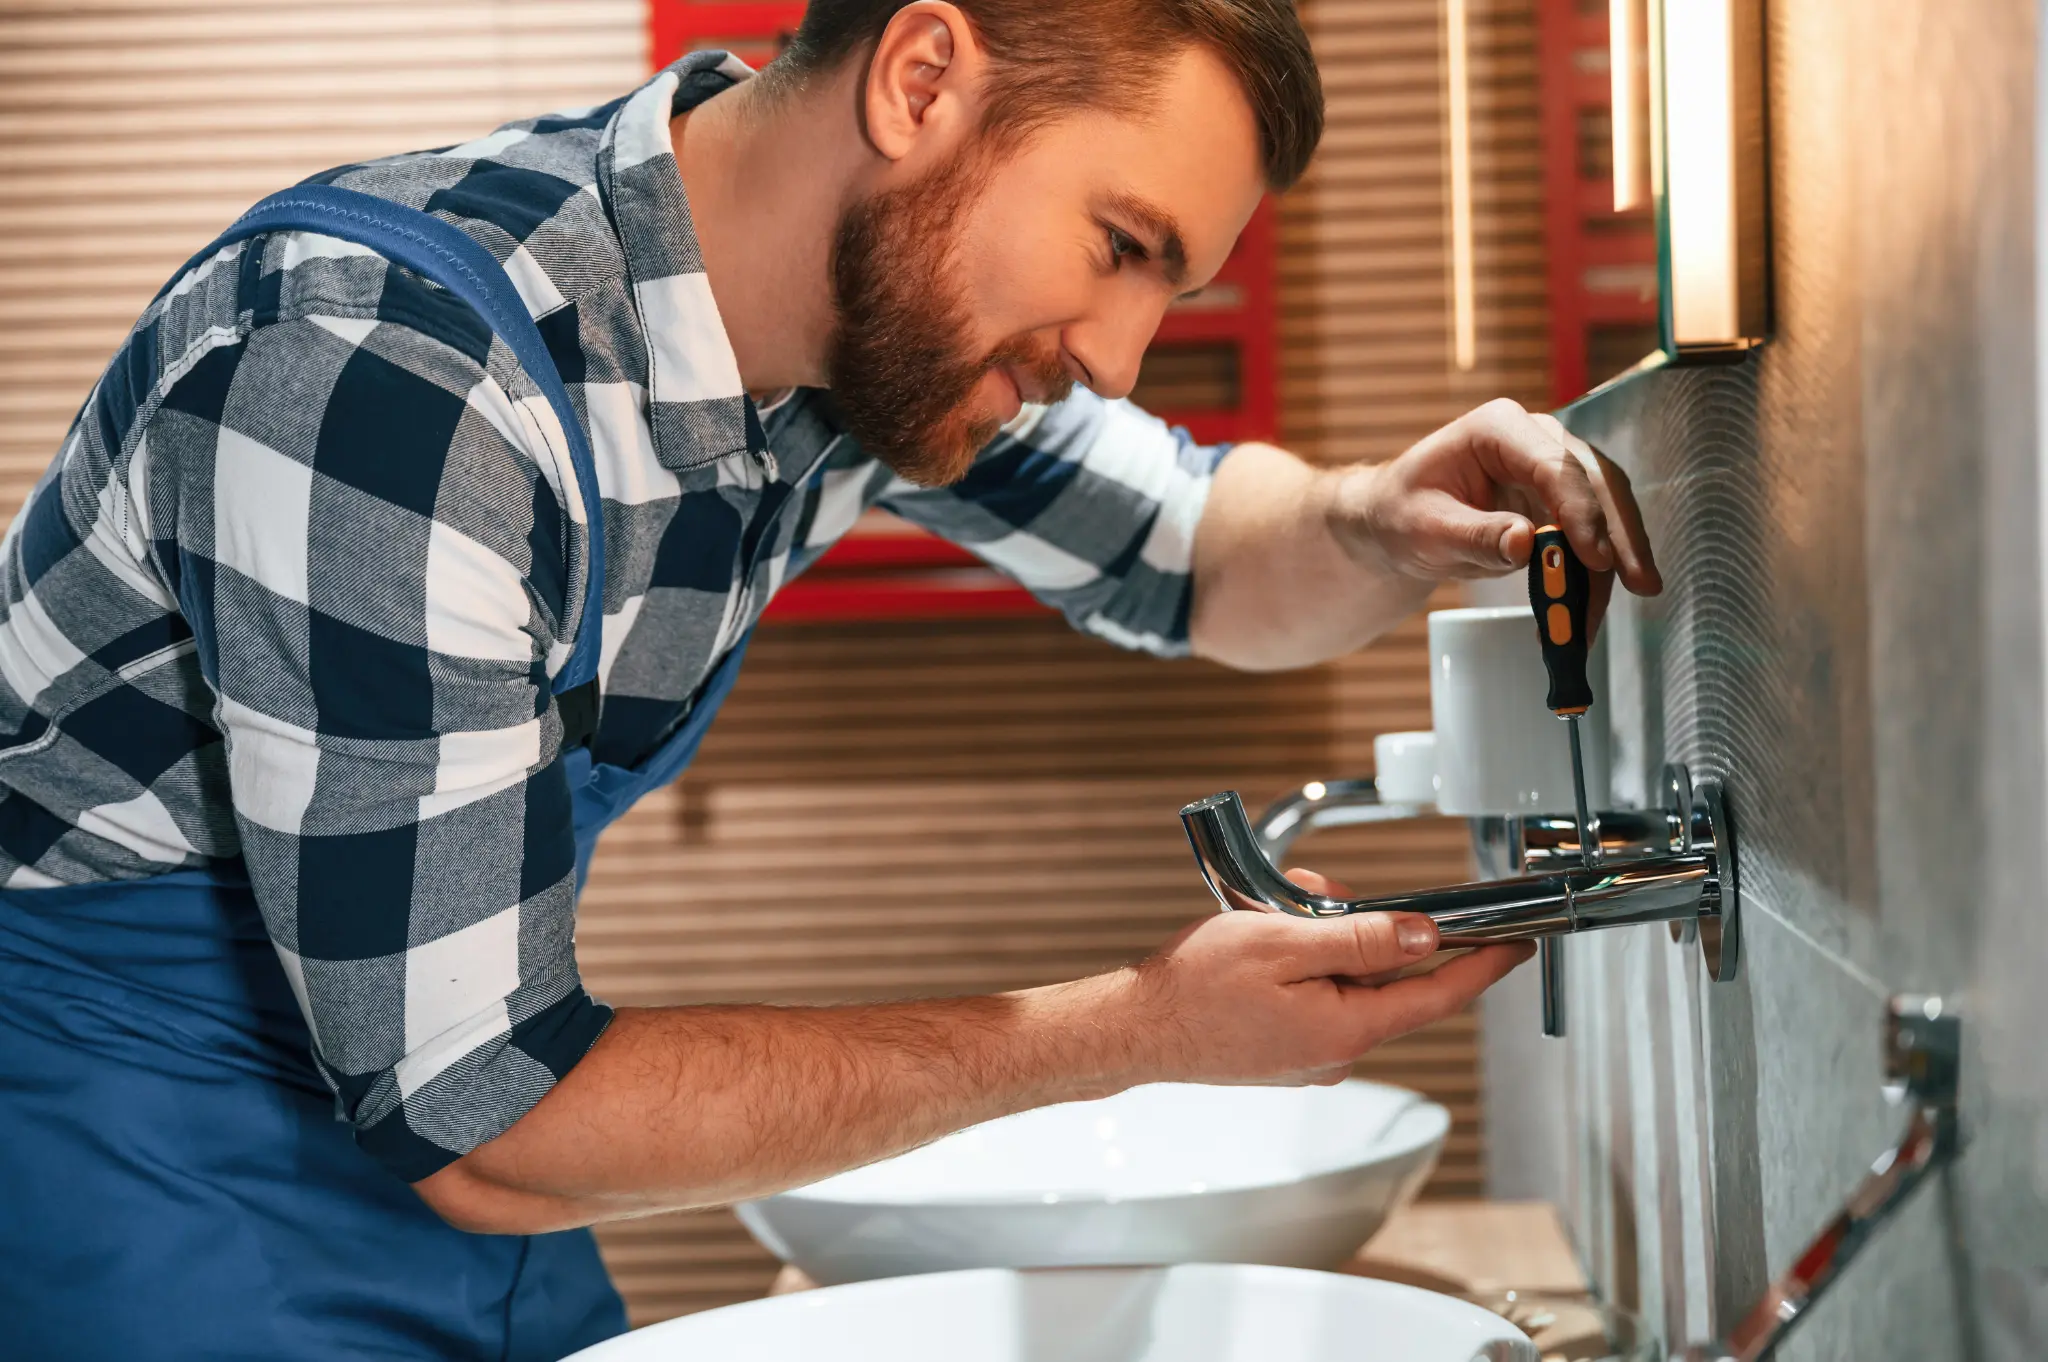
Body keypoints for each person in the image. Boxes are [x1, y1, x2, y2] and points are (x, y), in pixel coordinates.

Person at [0, 1, 1660, 1357]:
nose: (1116, 352)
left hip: (461, 1163)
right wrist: (1140, 1028)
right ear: (921, 78)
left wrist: (1382, 516)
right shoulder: (389, 376)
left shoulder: (837, 343)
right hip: (146, 1196)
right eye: (1121, 242)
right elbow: (485, 1113)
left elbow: (1203, 557)